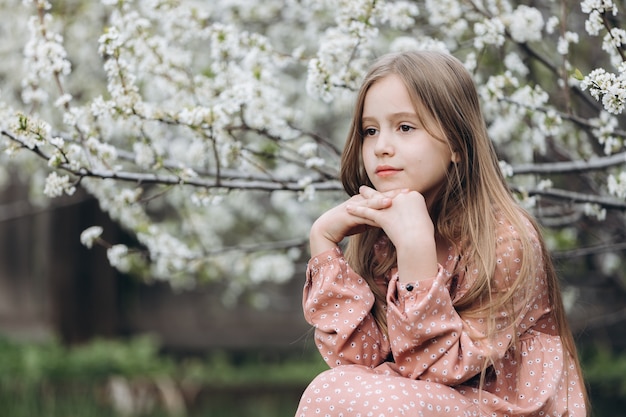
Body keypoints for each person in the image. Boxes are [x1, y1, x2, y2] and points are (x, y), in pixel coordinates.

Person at [295, 50, 588, 417]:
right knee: (328, 388)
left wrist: (416, 249)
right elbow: (357, 362)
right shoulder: (382, 235)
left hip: (498, 407)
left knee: (383, 402)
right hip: (418, 402)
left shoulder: (504, 239)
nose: (382, 145)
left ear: (456, 144)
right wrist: (323, 240)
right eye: (371, 130)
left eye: (405, 127)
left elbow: (433, 371)